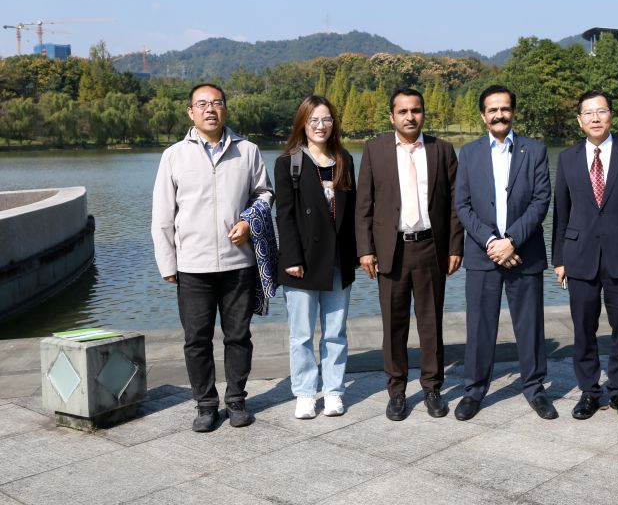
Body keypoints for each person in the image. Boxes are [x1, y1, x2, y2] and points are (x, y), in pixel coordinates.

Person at [151, 83, 274, 432]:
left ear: (225, 109)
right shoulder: (174, 155)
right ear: (190, 112)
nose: (210, 109)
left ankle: (236, 400)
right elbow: (162, 215)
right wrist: (168, 263)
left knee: (238, 336)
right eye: (202, 104)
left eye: (216, 103)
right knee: (196, 340)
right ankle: (205, 404)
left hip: (239, 263)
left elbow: (265, 194)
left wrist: (249, 222)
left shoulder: (247, 151)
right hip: (193, 265)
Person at [355, 87, 464, 421]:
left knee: (431, 322)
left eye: (415, 110)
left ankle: (432, 387)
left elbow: (456, 203)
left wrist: (454, 246)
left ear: (423, 114)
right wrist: (365, 250)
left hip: (431, 247)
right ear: (392, 116)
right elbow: (364, 204)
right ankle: (397, 391)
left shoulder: (442, 150)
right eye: (403, 111)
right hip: (391, 249)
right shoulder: (375, 150)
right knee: (394, 324)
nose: (410, 117)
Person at [453, 85, 556, 421]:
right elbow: (462, 205)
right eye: (493, 109)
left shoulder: (534, 150)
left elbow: (541, 200)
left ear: (513, 111)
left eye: (505, 108)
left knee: (530, 325)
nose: (499, 115)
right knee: (479, 327)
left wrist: (512, 240)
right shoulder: (469, 153)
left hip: (524, 252)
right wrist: (491, 242)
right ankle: (474, 390)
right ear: (483, 115)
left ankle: (535, 388)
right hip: (483, 254)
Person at [552, 89, 618, 420]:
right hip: (579, 255)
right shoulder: (567, 158)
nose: (595, 118)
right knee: (583, 328)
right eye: (588, 112)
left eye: (601, 111)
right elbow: (561, 213)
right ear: (579, 120)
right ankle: (589, 391)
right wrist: (559, 259)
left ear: (611, 115)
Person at [275, 96, 358, 420]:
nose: (320, 126)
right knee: (302, 334)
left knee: (336, 332)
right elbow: (284, 216)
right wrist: (291, 257)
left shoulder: (344, 160)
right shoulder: (289, 163)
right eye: (313, 120)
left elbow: (352, 212)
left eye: (326, 119)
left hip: (338, 260)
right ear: (303, 124)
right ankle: (306, 393)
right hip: (302, 261)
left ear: (334, 124)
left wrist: (358, 254)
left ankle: (334, 391)